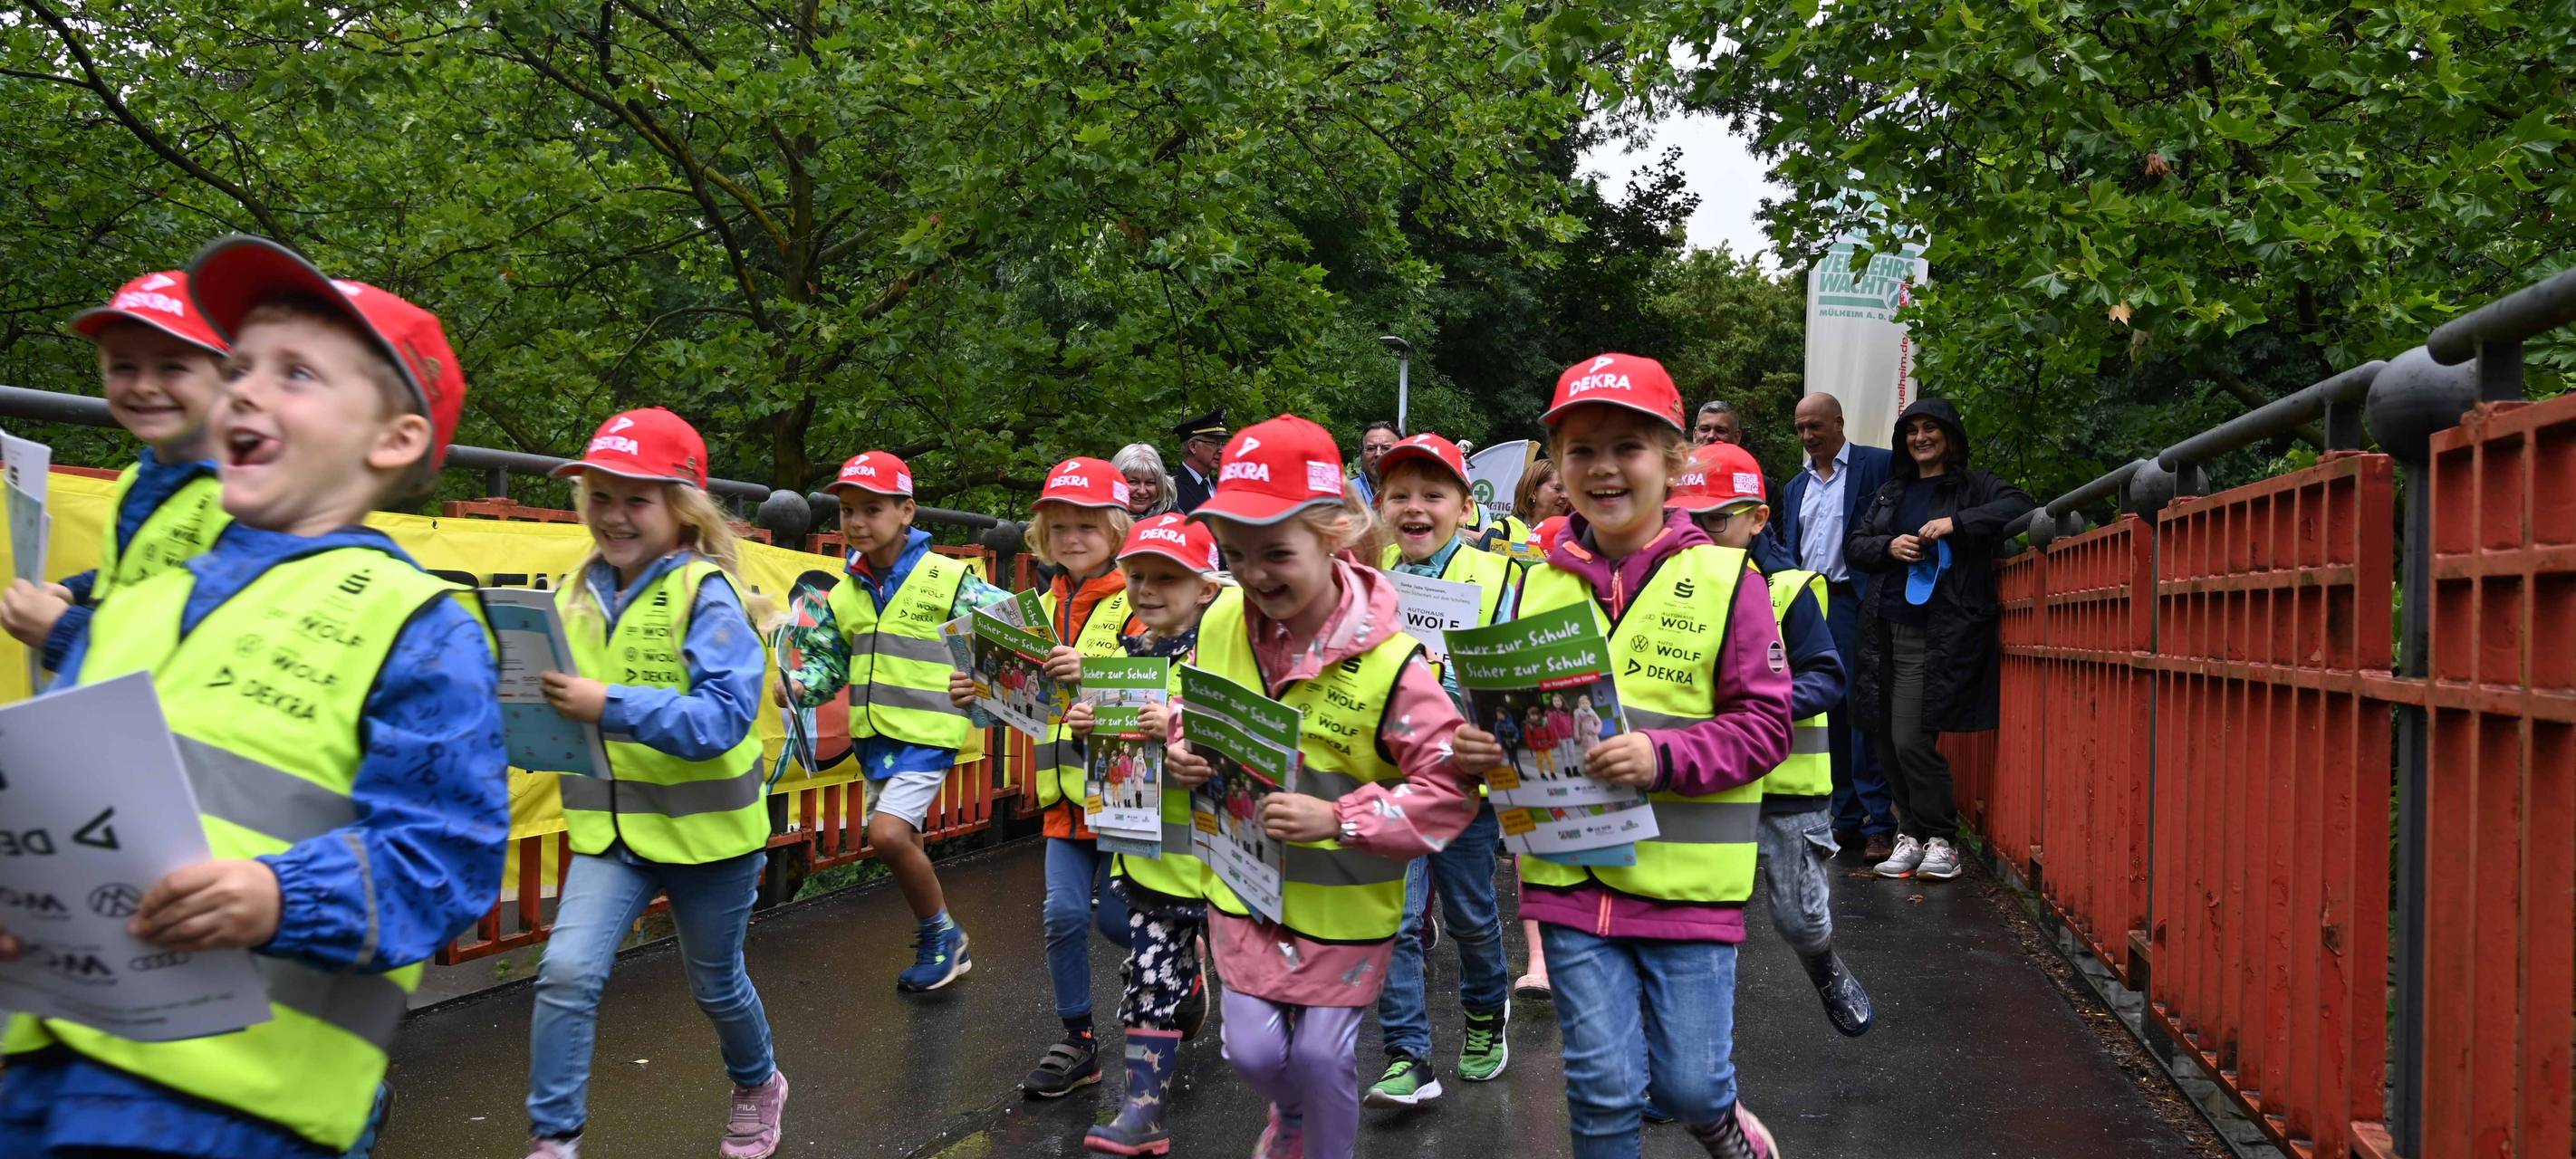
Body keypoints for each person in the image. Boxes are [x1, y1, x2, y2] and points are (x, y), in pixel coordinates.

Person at [0, 235, 509, 1159]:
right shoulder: (137, 605)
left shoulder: (420, 624)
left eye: (296, 374)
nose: (242, 390)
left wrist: (282, 894)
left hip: (239, 1109)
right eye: (237, 368)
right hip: (42, 1071)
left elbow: (450, 860)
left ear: (393, 439)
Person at [1166, 414, 1495, 1159]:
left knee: (1320, 1059)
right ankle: (1291, 1116)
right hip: (1243, 892)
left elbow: (1450, 789)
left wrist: (1340, 818)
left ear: (1336, 534)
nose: (1255, 574)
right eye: (1236, 554)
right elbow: (1194, 705)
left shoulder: (1394, 663)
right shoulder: (1222, 618)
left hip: (1343, 909)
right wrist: (1184, 744)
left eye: (1277, 553)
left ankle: (1315, 1136)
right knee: (1253, 1052)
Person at [1514, 352, 1792, 1159]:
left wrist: (1662, 757)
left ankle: (1718, 1116)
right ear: (1557, 466)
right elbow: (1517, 727)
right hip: (1569, 883)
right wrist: (1477, 744)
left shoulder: (1729, 580)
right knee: (1603, 1091)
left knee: (1691, 1088)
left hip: (1687, 894)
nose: (1603, 467)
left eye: (1627, 447)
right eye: (1581, 449)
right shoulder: (1535, 583)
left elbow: (1766, 728)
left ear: (1673, 463)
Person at [524, 408, 786, 1159]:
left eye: (636, 499)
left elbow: (723, 720)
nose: (613, 515)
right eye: (599, 497)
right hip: (612, 835)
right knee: (566, 972)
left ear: (683, 509)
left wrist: (604, 705)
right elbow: (552, 703)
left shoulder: (708, 593)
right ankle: (553, 1139)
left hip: (710, 841)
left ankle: (758, 1084)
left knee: (715, 985)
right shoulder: (575, 593)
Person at [783, 450, 1013, 992]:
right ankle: (942, 938)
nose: (857, 522)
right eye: (847, 511)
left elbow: (1014, 631)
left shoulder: (949, 578)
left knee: (886, 835)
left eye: (872, 509)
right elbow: (828, 665)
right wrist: (799, 685)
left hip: (928, 736)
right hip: (875, 742)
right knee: (900, 840)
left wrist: (981, 685)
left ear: (906, 511)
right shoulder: (844, 593)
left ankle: (943, 935)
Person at [949, 458, 1140, 1097]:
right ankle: (1079, 1040)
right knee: (1062, 916)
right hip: (1062, 798)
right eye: (1059, 527)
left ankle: (1181, 963)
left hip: (1126, 794)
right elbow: (1021, 707)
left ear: (1116, 529)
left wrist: (1091, 674)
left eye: (1086, 525)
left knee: (1120, 923)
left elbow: (1164, 687)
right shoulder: (1028, 610)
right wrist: (975, 694)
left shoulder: (1141, 598)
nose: (1071, 538)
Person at [1673, 441, 1874, 1038]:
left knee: (1799, 918)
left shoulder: (1787, 587)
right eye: (1686, 520)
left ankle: (1823, 964)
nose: (1699, 535)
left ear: (1758, 519)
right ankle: (1690, 1034)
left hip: (1785, 789)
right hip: (1709, 780)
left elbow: (1828, 676)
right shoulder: (1672, 584)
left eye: (1715, 521)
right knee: (1700, 914)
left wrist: (1755, 710)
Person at [1364, 433, 1516, 1110]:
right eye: (1399, 495)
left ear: (1464, 505)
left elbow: (1514, 685)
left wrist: (1451, 692)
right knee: (1396, 921)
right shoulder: (1366, 579)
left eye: (1433, 494)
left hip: (1465, 783)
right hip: (1388, 779)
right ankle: (1408, 1055)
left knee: (1470, 916)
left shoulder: (1499, 578)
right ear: (1381, 505)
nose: (1415, 508)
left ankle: (1485, 1010)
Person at [1072, 512, 1228, 1156]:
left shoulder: (1229, 653)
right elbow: (1110, 764)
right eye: (1137, 576)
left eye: (1167, 578)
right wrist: (1088, 731)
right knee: (1147, 979)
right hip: (1151, 855)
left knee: (1262, 998)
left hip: (1229, 864)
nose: (1147, 590)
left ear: (1206, 588)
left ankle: (1297, 1108)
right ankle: (1141, 1111)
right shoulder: (1125, 656)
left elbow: (1251, 737)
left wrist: (1178, 725)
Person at [1847, 398, 2036, 882]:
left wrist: (1957, 523)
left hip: (1936, 630)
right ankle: (1910, 835)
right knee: (1883, 736)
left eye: (1930, 428)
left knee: (1910, 738)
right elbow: (1856, 545)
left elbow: (2021, 506)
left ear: (1949, 436)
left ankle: (1942, 840)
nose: (1921, 438)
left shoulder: (1973, 486)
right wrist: (1889, 545)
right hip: (1881, 627)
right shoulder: (1892, 491)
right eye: (1912, 431)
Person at [2, 271, 231, 670]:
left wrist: (63, 630)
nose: (144, 386)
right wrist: (73, 592)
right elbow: (135, 577)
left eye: (172, 367)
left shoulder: (246, 502)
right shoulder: (138, 476)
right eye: (124, 367)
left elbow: (212, 650)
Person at [1769, 392, 1899, 860]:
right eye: (1801, 428)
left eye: (1815, 426)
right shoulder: (1795, 487)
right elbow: (1790, 548)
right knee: (1828, 710)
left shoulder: (1876, 465)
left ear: (1839, 423)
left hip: (1855, 601)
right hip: (1809, 604)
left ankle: (1878, 822)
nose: (1807, 436)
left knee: (1863, 708)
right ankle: (1845, 819)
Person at [1169, 410, 1228, 512]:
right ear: (1193, 446)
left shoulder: (1222, 487)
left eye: (1222, 444)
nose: (1221, 450)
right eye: (1214, 443)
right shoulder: (1171, 488)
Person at [1112, 442, 1179, 519]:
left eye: (1150, 483)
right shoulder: (1102, 517)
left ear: (1161, 484)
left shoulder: (1175, 519)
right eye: (1133, 482)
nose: (1142, 491)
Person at [1346, 420, 1399, 504]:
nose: (1378, 454)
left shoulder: (1413, 492)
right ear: (1361, 454)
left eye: (1386, 448)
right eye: (1371, 448)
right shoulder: (1345, 494)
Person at [1514, 455, 1572, 525]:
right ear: (1533, 492)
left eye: (1568, 490)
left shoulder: (1572, 530)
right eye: (1557, 489)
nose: (1566, 496)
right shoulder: (1505, 528)